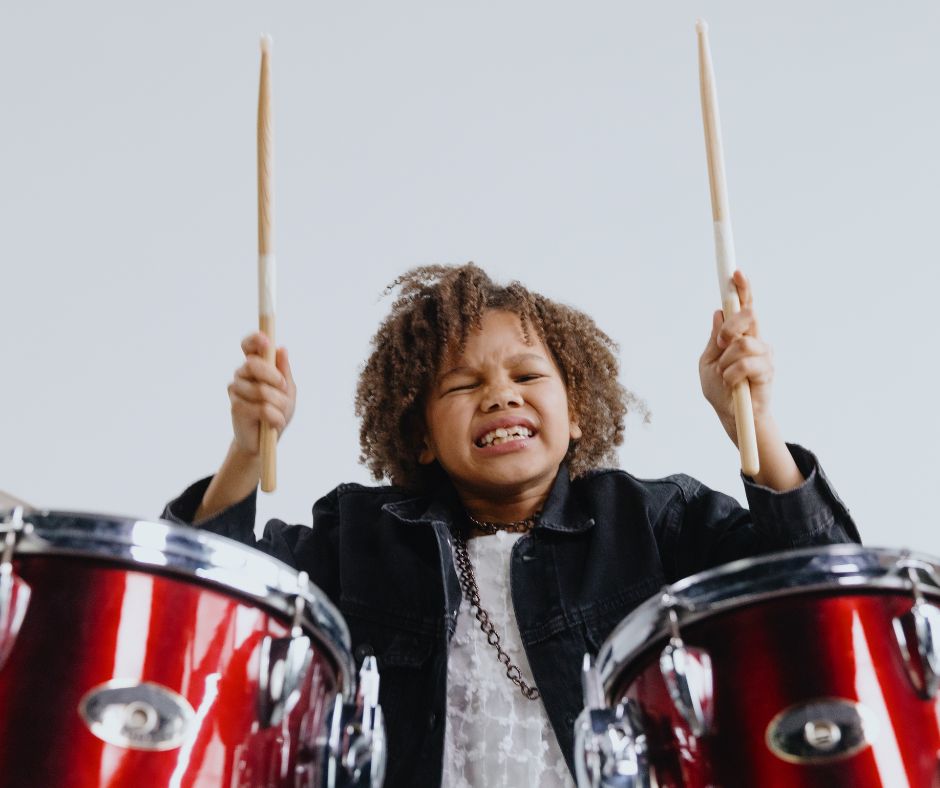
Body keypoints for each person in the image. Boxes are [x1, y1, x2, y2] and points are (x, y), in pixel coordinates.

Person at [163, 263, 858, 787]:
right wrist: (247, 455)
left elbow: (826, 604)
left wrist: (755, 421)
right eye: (463, 385)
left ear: (577, 410)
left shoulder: (652, 521)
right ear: (422, 436)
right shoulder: (358, 537)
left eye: (527, 374)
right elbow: (196, 614)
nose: (500, 393)